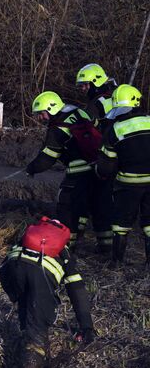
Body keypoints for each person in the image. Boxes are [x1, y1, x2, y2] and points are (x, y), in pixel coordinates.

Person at [0, 217, 95, 368]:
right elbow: (77, 290)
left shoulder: (26, 238)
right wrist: (87, 326)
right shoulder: (64, 252)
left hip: (9, 270)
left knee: (27, 301)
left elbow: (9, 264)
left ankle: (25, 333)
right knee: (38, 322)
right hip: (37, 274)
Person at [25, 91, 108, 251]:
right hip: (99, 167)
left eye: (42, 114)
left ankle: (68, 245)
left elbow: (48, 157)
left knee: (67, 205)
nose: (40, 118)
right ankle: (106, 247)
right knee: (96, 206)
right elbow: (100, 128)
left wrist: (32, 168)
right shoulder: (80, 112)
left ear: (51, 108)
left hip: (78, 172)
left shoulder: (58, 128)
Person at [95, 84, 150, 268]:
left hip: (128, 184)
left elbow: (106, 166)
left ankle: (117, 262)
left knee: (121, 223)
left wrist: (100, 172)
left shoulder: (114, 129)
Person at [75, 63, 116, 253]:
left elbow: (90, 131)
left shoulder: (96, 104)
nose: (83, 89)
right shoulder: (113, 97)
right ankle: (106, 246)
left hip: (103, 158)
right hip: (116, 157)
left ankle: (81, 241)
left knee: (93, 200)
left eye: (85, 85)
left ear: (96, 82)